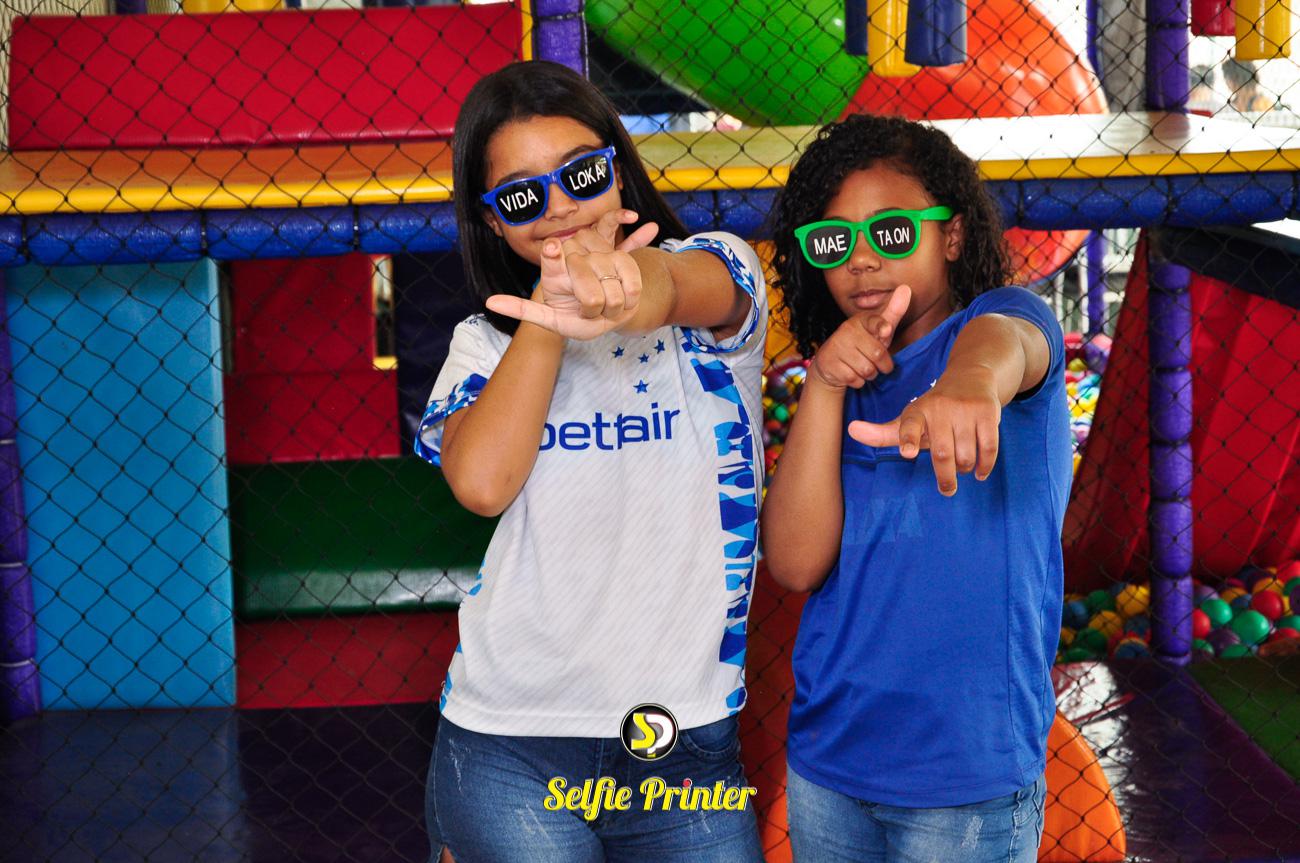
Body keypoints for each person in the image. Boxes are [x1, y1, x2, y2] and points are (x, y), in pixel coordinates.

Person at [415, 60, 767, 863]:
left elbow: (674, 286)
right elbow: (482, 483)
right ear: (493, 222)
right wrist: (551, 314)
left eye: (581, 175)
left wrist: (630, 286)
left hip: (684, 739)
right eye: (522, 197)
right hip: (511, 742)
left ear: (618, 167)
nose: (559, 207)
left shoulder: (717, 276)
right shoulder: (485, 344)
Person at [760, 114, 1070, 862]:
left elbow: (1007, 344)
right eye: (833, 242)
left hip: (963, 773)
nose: (862, 259)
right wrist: (824, 384)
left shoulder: (1001, 321)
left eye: (893, 232)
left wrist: (969, 383)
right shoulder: (840, 377)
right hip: (831, 759)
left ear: (951, 236)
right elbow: (795, 563)